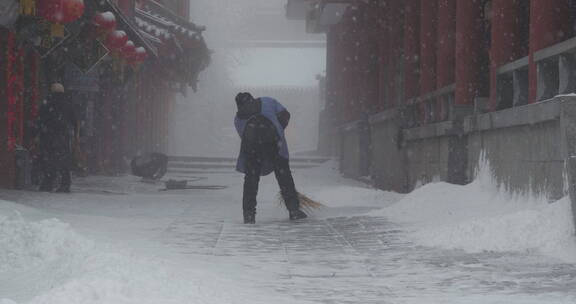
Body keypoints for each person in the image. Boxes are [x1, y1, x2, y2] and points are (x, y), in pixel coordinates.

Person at [234, 92, 307, 224]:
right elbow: (286, 115)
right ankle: (294, 210)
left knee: (251, 181)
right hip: (275, 145)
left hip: (252, 150)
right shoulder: (268, 101)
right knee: (284, 176)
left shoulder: (238, 118)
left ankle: (249, 215)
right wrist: (278, 128)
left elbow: (243, 136)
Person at [37, 83, 76, 193]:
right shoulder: (68, 103)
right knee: (63, 160)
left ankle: (48, 183)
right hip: (63, 136)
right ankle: (65, 184)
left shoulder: (48, 103)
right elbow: (74, 120)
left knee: (49, 159)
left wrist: (39, 132)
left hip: (49, 135)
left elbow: (41, 118)